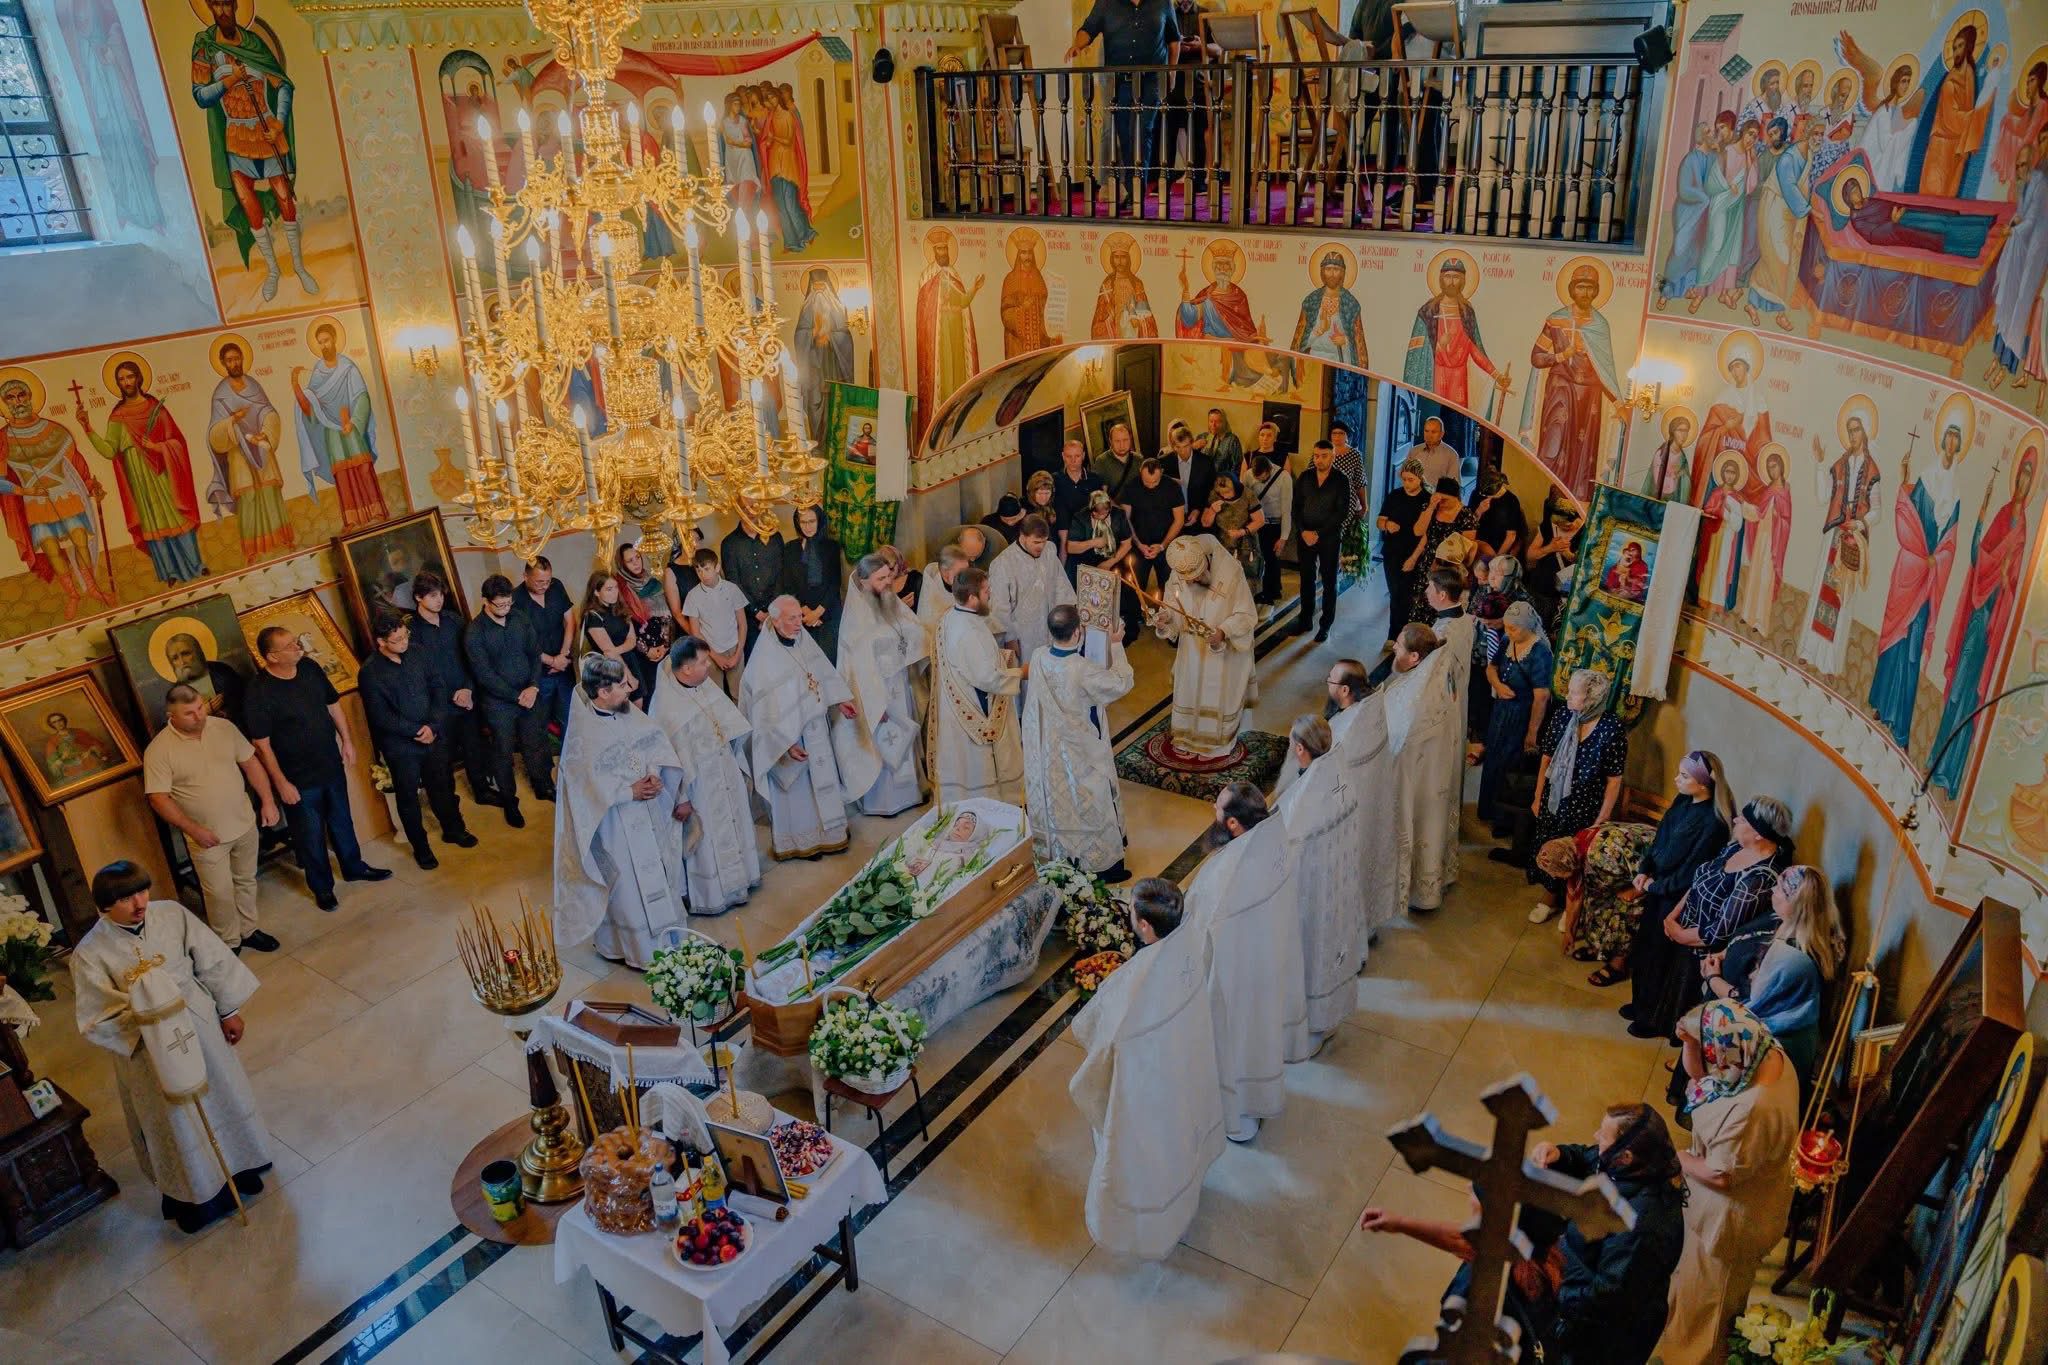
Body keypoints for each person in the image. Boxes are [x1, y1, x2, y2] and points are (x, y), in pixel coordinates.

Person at [1363, 1103, 1687, 1365]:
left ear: (1626, 1156)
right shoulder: (1627, 1166)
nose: (1595, 1137)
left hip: (1591, 1331)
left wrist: (1559, 1284)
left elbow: (1607, 1299)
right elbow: (1590, 1159)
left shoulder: (1641, 1229)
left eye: (1603, 1136)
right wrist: (1562, 1154)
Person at [72, 860, 273, 1234]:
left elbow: (211, 959)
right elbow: (96, 1015)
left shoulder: (172, 914)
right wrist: (150, 1018)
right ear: (104, 905)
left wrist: (229, 1010)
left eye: (142, 891)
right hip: (147, 1047)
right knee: (176, 1120)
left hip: (197, 1022)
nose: (139, 903)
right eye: (126, 898)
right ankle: (197, 1196)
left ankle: (240, 1168)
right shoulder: (90, 952)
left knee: (222, 1094)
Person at [1067, 877, 1230, 1260]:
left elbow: (1104, 1038)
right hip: (1182, 1065)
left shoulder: (1137, 981)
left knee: (1145, 1155)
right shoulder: (1187, 945)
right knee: (1178, 1138)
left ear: (1144, 926)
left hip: (1148, 1085)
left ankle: (1153, 1230)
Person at [1657, 1000, 1799, 1365]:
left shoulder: (1751, 1110)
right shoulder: (1761, 1049)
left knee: (1712, 1301)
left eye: (1705, 1050)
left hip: (1730, 1219)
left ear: (1723, 1051)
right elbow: (1701, 1079)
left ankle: (1692, 1357)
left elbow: (1723, 1174)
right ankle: (1678, 1334)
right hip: (1729, 1202)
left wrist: (1681, 1158)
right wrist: (1690, 1041)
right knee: (1693, 1285)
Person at [1186, 782, 1308, 1142]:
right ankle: (1258, 1099)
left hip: (1236, 972)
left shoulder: (1225, 874)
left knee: (1235, 1040)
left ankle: (1239, 1115)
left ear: (1233, 824)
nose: (1213, 811)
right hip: (1269, 957)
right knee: (1260, 1032)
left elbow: (1199, 927)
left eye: (1218, 808)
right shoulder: (1272, 841)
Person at [553, 655, 688, 966]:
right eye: (622, 685)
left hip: (647, 814)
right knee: (627, 885)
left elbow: (653, 744)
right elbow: (584, 788)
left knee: (659, 872)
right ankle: (638, 949)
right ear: (603, 692)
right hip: (615, 824)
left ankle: (670, 939)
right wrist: (629, 792)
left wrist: (654, 774)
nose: (629, 689)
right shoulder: (584, 736)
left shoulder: (628, 713)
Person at [243, 626, 390, 912]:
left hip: (330, 764)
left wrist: (347, 741)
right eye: (289, 645)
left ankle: (353, 866)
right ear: (272, 657)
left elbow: (333, 705)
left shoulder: (309, 668)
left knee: (342, 821)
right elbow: (262, 745)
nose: (298, 647)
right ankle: (322, 888)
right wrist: (281, 783)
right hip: (297, 778)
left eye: (296, 641)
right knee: (309, 835)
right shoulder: (259, 692)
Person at [1630, 797, 1794, 1043]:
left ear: (1759, 834)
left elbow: (1720, 930)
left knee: (1681, 995)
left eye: (1743, 819)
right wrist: (1673, 915)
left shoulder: (1759, 877)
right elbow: (1700, 880)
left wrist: (1679, 934)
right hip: (1684, 926)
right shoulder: (1736, 847)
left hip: (1703, 947)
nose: (1735, 820)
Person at [143, 686, 280, 955]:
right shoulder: (159, 750)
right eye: (189, 713)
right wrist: (193, 830)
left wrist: (268, 801)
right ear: (171, 715)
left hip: (243, 822)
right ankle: (229, 941)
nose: (199, 716)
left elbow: (251, 763)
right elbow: (158, 799)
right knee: (219, 892)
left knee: (246, 879)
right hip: (206, 836)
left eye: (200, 708)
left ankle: (249, 930)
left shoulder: (224, 728)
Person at [1698, 864, 1843, 1088]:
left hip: (1773, 1052)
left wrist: (1712, 977)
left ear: (1795, 904)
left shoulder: (1790, 957)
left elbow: (1748, 1007)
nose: (1773, 890)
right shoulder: (1811, 933)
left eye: (1779, 889)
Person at [742, 595, 860, 860]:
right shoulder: (763, 660)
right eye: (792, 619)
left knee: (823, 780)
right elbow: (763, 714)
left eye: (799, 617)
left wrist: (840, 700)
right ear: (775, 621)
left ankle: (831, 835)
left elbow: (823, 673)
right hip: (791, 740)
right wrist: (785, 744)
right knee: (799, 794)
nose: (799, 623)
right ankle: (801, 842)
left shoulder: (804, 640)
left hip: (816, 731)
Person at [1022, 604, 1135, 879]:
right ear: (1077, 632)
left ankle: (1059, 856)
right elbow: (1122, 682)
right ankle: (1103, 865)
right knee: (1091, 797)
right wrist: (1116, 645)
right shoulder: (1081, 669)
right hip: (1080, 748)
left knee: (1059, 802)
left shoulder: (1038, 656)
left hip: (1047, 750)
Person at [1605, 752, 1734, 992]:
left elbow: (1692, 872)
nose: (1676, 779)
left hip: (1675, 895)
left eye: (1684, 776)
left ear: (1703, 784)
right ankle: (1638, 1000)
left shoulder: (1712, 822)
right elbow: (1660, 838)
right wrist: (1644, 869)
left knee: (1658, 954)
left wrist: (1654, 886)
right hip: (1657, 882)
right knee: (1645, 946)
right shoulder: (1683, 800)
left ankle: (1648, 1009)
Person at [649, 636, 760, 916]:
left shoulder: (703, 685)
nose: (709, 666)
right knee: (709, 836)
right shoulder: (666, 708)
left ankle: (741, 881)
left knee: (734, 822)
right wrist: (681, 798)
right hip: (698, 785)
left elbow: (729, 724)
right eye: (703, 662)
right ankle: (712, 895)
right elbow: (666, 762)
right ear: (686, 669)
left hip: (724, 770)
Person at [360, 612, 478, 871]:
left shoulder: (418, 652)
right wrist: (416, 730)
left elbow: (438, 687)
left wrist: (433, 725)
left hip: (432, 734)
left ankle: (454, 830)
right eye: (397, 640)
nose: (404, 642)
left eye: (406, 636)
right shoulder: (370, 672)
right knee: (408, 798)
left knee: (442, 785)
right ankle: (421, 848)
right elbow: (380, 716)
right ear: (381, 642)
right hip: (401, 746)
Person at [1275, 714, 1366, 1041]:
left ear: (1300, 748)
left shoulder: (1307, 797)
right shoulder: (1335, 772)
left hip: (1312, 888)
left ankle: (1313, 1021)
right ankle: (1328, 1012)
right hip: (1338, 880)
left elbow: (1287, 846)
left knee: (1311, 949)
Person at [1512, 669, 1628, 924]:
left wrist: (1602, 818)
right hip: (1555, 799)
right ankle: (1549, 898)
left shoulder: (1612, 728)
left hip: (1587, 805)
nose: (1567, 696)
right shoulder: (1563, 715)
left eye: (1574, 693)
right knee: (1552, 847)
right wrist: (1538, 795)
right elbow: (1547, 757)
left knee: (1577, 856)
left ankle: (1571, 906)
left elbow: (1614, 779)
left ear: (1591, 699)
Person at [836, 552, 928, 817]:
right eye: (881, 579)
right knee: (883, 739)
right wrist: (875, 702)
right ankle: (883, 802)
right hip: (876, 691)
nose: (888, 582)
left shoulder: (890, 601)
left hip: (899, 682)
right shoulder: (856, 618)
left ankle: (910, 794)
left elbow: (914, 629)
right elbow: (856, 668)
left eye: (889, 576)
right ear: (863, 582)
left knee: (905, 735)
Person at [1065, 0, 1180, 204]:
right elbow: (1088, 29)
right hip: (1120, 81)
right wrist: (1077, 45)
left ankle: (1137, 190)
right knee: (1125, 133)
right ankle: (1132, 187)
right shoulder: (1106, 3)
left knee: (1143, 130)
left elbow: (1173, 40)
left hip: (1152, 79)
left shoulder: (1163, 2)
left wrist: (1172, 72)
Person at [1381, 624, 1462, 914]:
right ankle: (1434, 882)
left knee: (1419, 826)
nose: (1394, 648)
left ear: (1415, 656)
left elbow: (1396, 743)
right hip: (1435, 774)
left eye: (1399, 645)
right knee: (1432, 825)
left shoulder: (1417, 698)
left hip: (1417, 779)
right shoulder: (1435, 677)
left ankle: (1419, 892)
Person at [1154, 534, 1256, 758]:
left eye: (1197, 576)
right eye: (1188, 579)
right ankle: (1187, 736)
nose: (1191, 582)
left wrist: (1223, 631)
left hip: (1222, 651)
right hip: (1191, 649)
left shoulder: (1231, 572)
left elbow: (1247, 614)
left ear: (1207, 560)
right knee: (1190, 690)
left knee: (1215, 695)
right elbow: (1173, 605)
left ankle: (1219, 742)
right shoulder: (1179, 569)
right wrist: (1165, 618)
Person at [466, 573, 555, 829]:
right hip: (499, 704)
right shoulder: (474, 632)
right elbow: (484, 675)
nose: (506, 608)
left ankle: (543, 786)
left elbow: (534, 654)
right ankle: (509, 801)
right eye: (500, 605)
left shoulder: (520, 618)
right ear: (486, 602)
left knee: (535, 742)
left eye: (508, 603)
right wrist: (517, 696)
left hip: (529, 693)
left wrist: (534, 686)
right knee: (502, 753)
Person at [930, 567, 1025, 803]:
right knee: (978, 766)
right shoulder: (968, 631)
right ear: (972, 598)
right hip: (975, 704)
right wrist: (1021, 673)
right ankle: (990, 803)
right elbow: (986, 678)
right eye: (986, 591)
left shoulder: (951, 616)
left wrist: (1000, 657)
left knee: (965, 764)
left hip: (957, 703)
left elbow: (969, 662)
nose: (990, 594)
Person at [409, 569, 495, 806]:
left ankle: (482, 791)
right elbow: (419, 675)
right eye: (432, 595)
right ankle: (449, 805)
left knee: (474, 748)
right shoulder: (412, 632)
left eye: (441, 594)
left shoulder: (454, 621)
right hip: (438, 707)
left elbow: (471, 658)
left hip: (466, 699)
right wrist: (449, 696)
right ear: (418, 597)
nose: (439, 600)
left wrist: (467, 689)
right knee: (442, 759)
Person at [1475, 601, 1553, 836]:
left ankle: (1505, 821)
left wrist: (1532, 732)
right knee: (1494, 758)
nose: (1508, 632)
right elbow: (1491, 668)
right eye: (1507, 627)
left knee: (1510, 764)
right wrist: (1498, 685)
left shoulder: (1539, 653)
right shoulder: (1508, 641)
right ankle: (1489, 810)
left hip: (1522, 715)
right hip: (1502, 711)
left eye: (1514, 628)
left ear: (1528, 627)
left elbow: (1541, 696)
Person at [988, 513, 1077, 671]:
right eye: (1036, 542)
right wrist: (1010, 639)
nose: (1041, 546)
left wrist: (1068, 619)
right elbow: (1000, 607)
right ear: (1022, 537)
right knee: (1028, 674)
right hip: (1023, 635)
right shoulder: (1003, 563)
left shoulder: (1049, 550)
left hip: (1051, 628)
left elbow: (1061, 584)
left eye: (1044, 541)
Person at [1290, 439, 1350, 641]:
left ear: (1333, 456)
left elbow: (1341, 512)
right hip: (1305, 536)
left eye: (1324, 456)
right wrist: (1303, 531)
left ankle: (1325, 625)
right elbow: (1296, 507)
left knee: (1329, 580)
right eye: (1316, 456)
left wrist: (1318, 533)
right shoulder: (1305, 477)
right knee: (1306, 579)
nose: (1319, 460)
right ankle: (1305, 619)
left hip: (1329, 537)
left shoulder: (1341, 480)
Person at [1066, 488, 1142, 640]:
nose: (1101, 516)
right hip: (1087, 558)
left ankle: (1127, 628)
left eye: (1105, 512)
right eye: (1097, 513)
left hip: (1113, 556)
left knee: (1126, 586)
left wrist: (1109, 563)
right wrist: (1094, 542)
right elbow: (1071, 547)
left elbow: (1127, 544)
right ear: (1091, 509)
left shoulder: (1118, 515)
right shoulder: (1080, 517)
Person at [681, 548, 751, 704]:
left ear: (717, 567)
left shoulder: (732, 589)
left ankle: (742, 719)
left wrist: (738, 653)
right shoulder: (693, 596)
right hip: (709, 651)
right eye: (699, 570)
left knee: (739, 694)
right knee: (715, 697)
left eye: (707, 569)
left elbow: (742, 624)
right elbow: (695, 632)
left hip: (734, 647)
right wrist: (716, 656)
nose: (703, 574)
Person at [511, 556, 574, 732]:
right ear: (525, 576)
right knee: (539, 720)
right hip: (537, 673)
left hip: (564, 665)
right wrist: (552, 661)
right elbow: (522, 643)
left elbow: (570, 621)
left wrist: (563, 655)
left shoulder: (556, 586)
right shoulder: (515, 601)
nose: (545, 586)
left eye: (547, 581)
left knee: (570, 717)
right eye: (539, 582)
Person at [1408, 477, 1480, 624]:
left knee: (1440, 608)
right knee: (1421, 605)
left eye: (1445, 500)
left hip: (1448, 569)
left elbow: (1465, 549)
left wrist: (1442, 563)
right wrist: (1431, 507)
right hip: (1427, 563)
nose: (1442, 503)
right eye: (1439, 498)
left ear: (1456, 498)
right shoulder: (1432, 507)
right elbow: (1418, 532)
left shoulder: (1466, 515)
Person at [578, 570, 652, 709]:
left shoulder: (620, 609)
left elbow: (631, 640)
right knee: (621, 710)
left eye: (616, 587)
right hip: (611, 669)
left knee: (639, 708)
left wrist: (616, 650)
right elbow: (608, 651)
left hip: (631, 660)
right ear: (596, 592)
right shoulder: (592, 616)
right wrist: (628, 676)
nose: (615, 592)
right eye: (609, 589)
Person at [721, 511, 787, 655]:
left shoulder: (774, 536)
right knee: (754, 661)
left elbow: (781, 573)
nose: (750, 511)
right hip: (748, 618)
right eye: (744, 507)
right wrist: (756, 612)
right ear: (737, 508)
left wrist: (772, 610)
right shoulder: (729, 543)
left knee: (782, 658)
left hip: (778, 612)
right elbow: (733, 583)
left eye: (754, 506)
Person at [783, 505, 845, 660]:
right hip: (802, 615)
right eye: (803, 522)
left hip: (829, 613)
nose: (808, 526)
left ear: (819, 521)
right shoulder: (790, 548)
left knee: (829, 663)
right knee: (807, 664)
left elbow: (835, 583)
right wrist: (806, 612)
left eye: (812, 521)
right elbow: (789, 584)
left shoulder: (831, 547)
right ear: (797, 523)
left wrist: (817, 613)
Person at [1376, 458, 1431, 626]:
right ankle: (1394, 633)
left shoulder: (1427, 500)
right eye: (1404, 479)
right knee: (1395, 595)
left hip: (1415, 553)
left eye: (1411, 479)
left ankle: (1408, 631)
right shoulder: (1395, 495)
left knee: (1408, 596)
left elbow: (1427, 534)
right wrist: (1387, 525)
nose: (1406, 483)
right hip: (1392, 552)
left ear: (1420, 478)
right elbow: (1379, 521)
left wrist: (1413, 559)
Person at [1125, 458, 1187, 599]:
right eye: (1147, 482)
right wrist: (1138, 544)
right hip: (1139, 543)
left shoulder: (1172, 487)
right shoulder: (1131, 486)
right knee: (1133, 588)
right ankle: (1135, 612)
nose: (1151, 485)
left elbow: (1179, 520)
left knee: (1169, 589)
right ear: (1140, 472)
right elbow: (1126, 519)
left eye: (1155, 482)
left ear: (1162, 472)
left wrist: (1162, 546)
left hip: (1167, 544)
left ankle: (1166, 612)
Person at [1243, 452, 1291, 608]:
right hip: (1256, 522)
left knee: (1272, 559)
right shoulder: (1248, 475)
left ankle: (1271, 593)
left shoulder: (1284, 477)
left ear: (1270, 469)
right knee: (1258, 558)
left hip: (1274, 523)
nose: (1260, 481)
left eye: (1263, 478)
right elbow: (1244, 498)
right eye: (1257, 479)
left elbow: (1286, 510)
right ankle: (1265, 590)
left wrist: (1283, 537)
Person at [1199, 473, 1263, 587]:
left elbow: (1260, 521)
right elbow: (1205, 523)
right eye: (1221, 493)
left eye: (1228, 492)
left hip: (1245, 546)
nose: (1225, 496)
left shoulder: (1248, 495)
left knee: (1245, 581)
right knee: (1224, 581)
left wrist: (1242, 532)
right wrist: (1212, 511)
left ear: (1235, 488)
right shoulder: (1215, 495)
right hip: (1223, 545)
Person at [1051, 438, 1106, 560]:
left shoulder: (1094, 480)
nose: (1073, 460)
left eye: (1077, 456)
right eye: (1069, 456)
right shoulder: (1054, 480)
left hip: (1087, 537)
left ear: (1083, 456)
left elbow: (1102, 507)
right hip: (1061, 536)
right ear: (1063, 456)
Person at [1474, 468, 1528, 563]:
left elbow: (1511, 536)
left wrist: (1497, 559)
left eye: (1490, 495)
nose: (1486, 497)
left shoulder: (1511, 501)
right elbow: (1469, 525)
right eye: (1484, 495)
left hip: (1500, 547)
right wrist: (1479, 511)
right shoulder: (1477, 494)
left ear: (1500, 486)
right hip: (1478, 543)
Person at [1165, 420, 1217, 513]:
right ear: (1173, 446)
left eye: (1186, 446)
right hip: (1171, 514)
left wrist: (1198, 509)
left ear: (1192, 443)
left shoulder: (1206, 462)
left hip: (1198, 515)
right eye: (1178, 447)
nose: (1182, 452)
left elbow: (1212, 490)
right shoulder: (1164, 462)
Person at [1091, 423, 1143, 506]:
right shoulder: (1101, 461)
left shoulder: (1138, 459)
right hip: (1114, 510)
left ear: (1130, 439)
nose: (1122, 445)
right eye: (1117, 441)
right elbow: (1100, 494)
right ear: (1110, 441)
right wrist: (1118, 511)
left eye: (1125, 440)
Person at [1407, 415, 1462, 490]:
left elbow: (1454, 486)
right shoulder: (1414, 451)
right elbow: (1405, 476)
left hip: (1437, 495)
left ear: (1441, 434)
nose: (1429, 435)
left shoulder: (1451, 455)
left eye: (1433, 432)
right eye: (1426, 431)